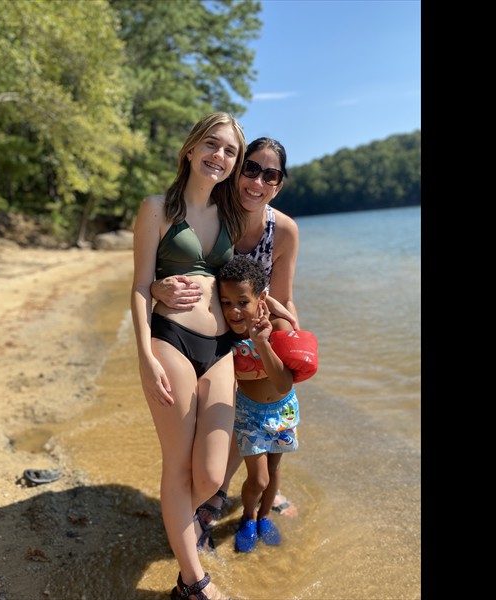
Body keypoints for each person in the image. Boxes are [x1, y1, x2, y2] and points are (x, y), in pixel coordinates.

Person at [151, 137, 300, 548]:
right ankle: (204, 495)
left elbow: (284, 297)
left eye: (270, 175)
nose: (257, 181)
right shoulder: (216, 214)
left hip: (258, 332)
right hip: (211, 332)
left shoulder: (284, 229)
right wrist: (155, 286)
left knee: (260, 412)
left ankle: (238, 492)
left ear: (279, 184)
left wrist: (294, 346)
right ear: (237, 171)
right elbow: (178, 261)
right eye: (250, 169)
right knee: (217, 420)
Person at [131, 112, 247, 600]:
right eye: (211, 144)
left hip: (220, 349)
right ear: (190, 148)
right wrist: (145, 356)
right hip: (171, 341)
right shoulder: (156, 208)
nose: (218, 156)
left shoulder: (232, 216)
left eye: (229, 151)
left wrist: (277, 316)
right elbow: (139, 287)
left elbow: (244, 276)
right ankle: (192, 580)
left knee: (211, 475)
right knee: (177, 467)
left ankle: (178, 519)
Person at [216, 256, 317, 552]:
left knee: (274, 472)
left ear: (261, 299)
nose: (233, 311)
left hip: (284, 410)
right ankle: (247, 517)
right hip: (249, 413)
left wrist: (262, 342)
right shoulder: (226, 335)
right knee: (258, 478)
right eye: (225, 302)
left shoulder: (278, 325)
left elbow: (284, 383)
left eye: (242, 302)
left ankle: (264, 518)